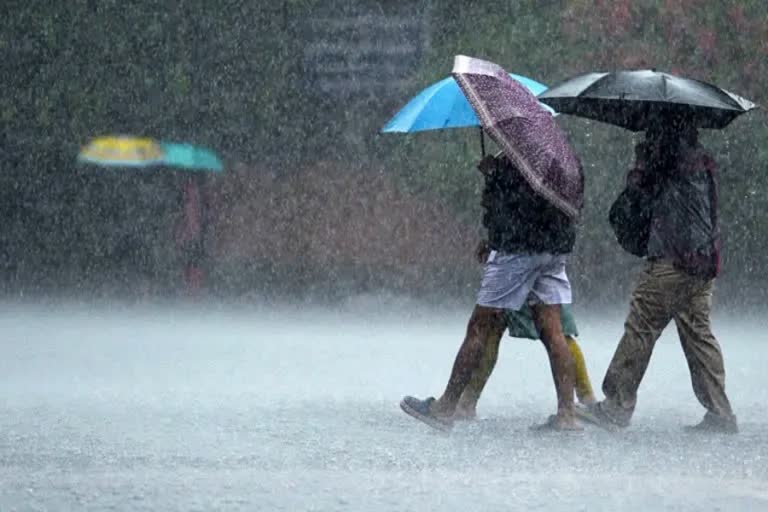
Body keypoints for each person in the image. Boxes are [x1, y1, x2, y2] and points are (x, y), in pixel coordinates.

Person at [579, 116, 738, 433]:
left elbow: (633, 200)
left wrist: (641, 162)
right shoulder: (700, 159)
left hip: (673, 260)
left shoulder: (665, 160)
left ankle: (615, 406)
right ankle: (720, 412)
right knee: (699, 335)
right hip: (704, 261)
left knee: (641, 325)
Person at [400, 152, 580, 431]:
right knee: (554, 331)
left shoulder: (516, 160)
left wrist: (494, 178)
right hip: (555, 250)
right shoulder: (563, 158)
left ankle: (446, 406)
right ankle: (567, 415)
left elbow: (510, 208)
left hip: (517, 251)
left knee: (480, 326)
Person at [451, 240, 595, 421]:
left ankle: (466, 403)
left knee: (492, 326)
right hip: (549, 247)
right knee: (556, 332)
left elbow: (514, 213)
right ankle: (585, 401)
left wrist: (498, 237)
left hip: (519, 249)